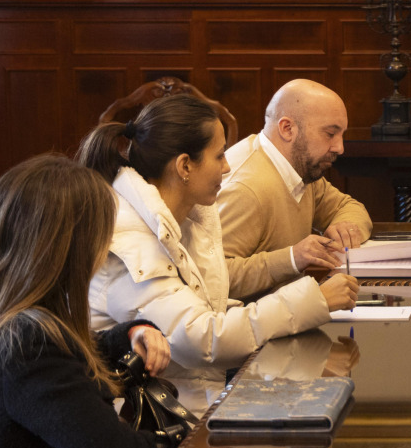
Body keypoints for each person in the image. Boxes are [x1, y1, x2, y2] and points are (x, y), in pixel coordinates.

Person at [80, 94, 358, 374]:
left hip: (194, 392)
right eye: (220, 155)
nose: (227, 168)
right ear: (185, 166)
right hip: (158, 409)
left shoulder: (184, 217)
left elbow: (206, 310)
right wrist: (313, 300)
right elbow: (203, 339)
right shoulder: (130, 242)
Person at [0, 155, 172, 448]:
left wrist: (130, 332)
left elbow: (76, 351)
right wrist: (170, 445)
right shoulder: (26, 343)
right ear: (74, 248)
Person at [218, 79, 373, 296]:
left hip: (290, 314)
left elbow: (348, 206)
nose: (340, 147)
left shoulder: (299, 168)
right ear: (287, 128)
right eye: (330, 134)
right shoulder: (245, 189)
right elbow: (214, 279)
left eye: (341, 135)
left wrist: (346, 228)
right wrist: (292, 258)